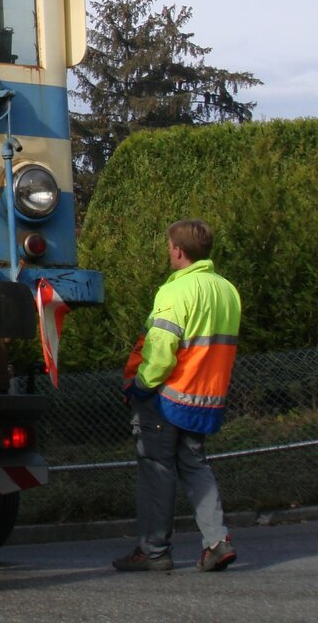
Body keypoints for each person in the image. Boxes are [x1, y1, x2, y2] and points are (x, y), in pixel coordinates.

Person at [112, 218, 241, 573]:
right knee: (196, 467)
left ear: (179, 250)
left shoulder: (174, 292)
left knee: (157, 470)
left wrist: (140, 385)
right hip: (205, 398)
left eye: (169, 247)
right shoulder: (227, 290)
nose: (168, 252)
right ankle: (217, 542)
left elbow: (161, 351)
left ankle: (153, 551)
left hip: (167, 398)